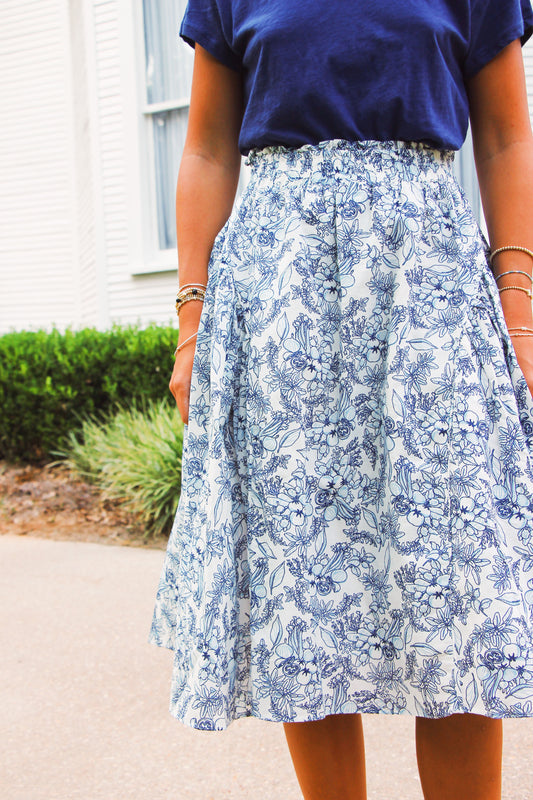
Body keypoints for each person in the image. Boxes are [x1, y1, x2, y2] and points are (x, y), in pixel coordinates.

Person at [149, 2, 533, 798]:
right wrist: (191, 319)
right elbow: (208, 147)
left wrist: (519, 306)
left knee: (455, 580)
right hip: (279, 292)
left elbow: (504, 137)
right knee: (304, 576)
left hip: (423, 284)